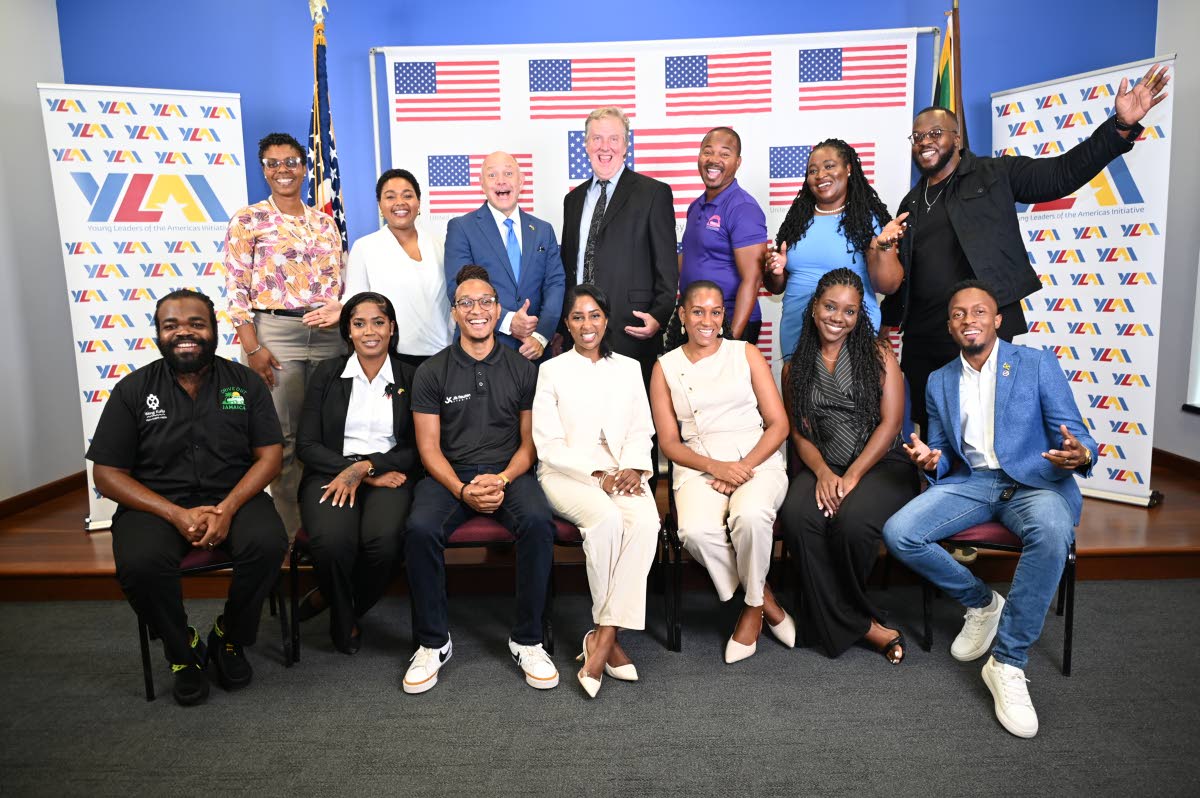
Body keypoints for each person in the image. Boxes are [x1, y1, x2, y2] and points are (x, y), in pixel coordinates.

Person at [881, 64, 1170, 431]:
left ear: (956, 139)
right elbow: (903, 273)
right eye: (917, 137)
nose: (924, 141)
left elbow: (1062, 173)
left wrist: (1119, 128)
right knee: (934, 424)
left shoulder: (995, 174)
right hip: (923, 335)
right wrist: (887, 321)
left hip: (981, 327)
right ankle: (940, 487)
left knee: (985, 424)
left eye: (935, 133)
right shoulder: (910, 201)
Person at [883, 280, 1098, 739]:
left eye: (979, 311)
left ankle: (1007, 661)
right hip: (976, 483)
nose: (969, 320)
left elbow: (1078, 433)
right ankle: (982, 602)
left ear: (998, 319)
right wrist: (932, 460)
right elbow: (941, 450)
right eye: (959, 314)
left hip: (1034, 482)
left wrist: (1081, 455)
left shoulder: (1036, 363)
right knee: (900, 532)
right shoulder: (939, 380)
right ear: (949, 325)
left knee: (1053, 529)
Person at [87, 289, 287, 706]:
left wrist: (228, 508)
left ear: (213, 330)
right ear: (158, 334)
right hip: (157, 505)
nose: (184, 333)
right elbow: (106, 474)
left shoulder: (245, 383)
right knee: (140, 562)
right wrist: (174, 513)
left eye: (196, 324)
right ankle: (183, 652)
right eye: (171, 325)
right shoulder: (133, 390)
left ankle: (229, 637)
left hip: (236, 495)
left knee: (267, 543)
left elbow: (270, 457)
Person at [402, 265, 559, 694]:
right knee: (419, 529)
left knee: (539, 523)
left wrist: (503, 480)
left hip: (508, 471)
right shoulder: (431, 371)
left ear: (497, 309)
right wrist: (462, 490)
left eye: (485, 302)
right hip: (449, 475)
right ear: (454, 312)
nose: (477, 310)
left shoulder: (523, 368)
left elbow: (530, 445)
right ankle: (433, 642)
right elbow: (428, 448)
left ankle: (528, 638)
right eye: (466, 303)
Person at [778, 268, 917, 664]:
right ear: (814, 308)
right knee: (798, 517)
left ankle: (831, 619)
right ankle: (865, 625)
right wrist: (823, 473)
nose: (838, 317)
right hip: (824, 463)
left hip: (880, 464)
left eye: (850, 311)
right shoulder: (795, 367)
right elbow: (799, 434)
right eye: (831, 307)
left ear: (860, 316)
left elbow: (891, 423)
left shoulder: (878, 354)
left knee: (852, 523)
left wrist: (852, 476)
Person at [650, 280, 793, 663]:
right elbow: (669, 443)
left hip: (756, 458)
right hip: (699, 465)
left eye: (715, 312)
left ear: (724, 316)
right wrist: (717, 467)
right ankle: (764, 598)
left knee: (750, 516)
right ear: (682, 315)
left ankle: (749, 611)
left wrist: (742, 467)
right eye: (698, 311)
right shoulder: (665, 367)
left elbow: (778, 424)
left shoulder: (744, 352)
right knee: (695, 531)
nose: (707, 320)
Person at [532, 284, 660, 697]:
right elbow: (547, 445)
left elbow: (642, 428)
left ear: (606, 319)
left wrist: (636, 468)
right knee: (604, 519)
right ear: (566, 325)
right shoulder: (552, 370)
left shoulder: (628, 367)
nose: (587, 324)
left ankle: (602, 635)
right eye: (577, 317)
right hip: (566, 475)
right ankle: (609, 638)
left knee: (646, 522)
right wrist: (599, 475)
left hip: (624, 472)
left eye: (594, 315)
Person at [224, 132, 346, 539]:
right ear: (264, 170)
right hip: (275, 334)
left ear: (304, 167)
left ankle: (326, 521)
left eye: (291, 161)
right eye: (273, 163)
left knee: (326, 432)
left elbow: (338, 283)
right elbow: (236, 287)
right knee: (285, 437)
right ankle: (292, 535)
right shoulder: (248, 219)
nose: (283, 170)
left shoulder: (325, 222)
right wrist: (253, 346)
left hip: (329, 334)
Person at [295, 292, 418, 655]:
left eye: (379, 322)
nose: (370, 331)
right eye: (359, 323)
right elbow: (307, 444)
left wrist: (369, 468)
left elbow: (416, 448)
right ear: (347, 330)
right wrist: (354, 471)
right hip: (329, 469)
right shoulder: (327, 374)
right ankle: (345, 618)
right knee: (333, 542)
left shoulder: (411, 377)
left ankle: (334, 603)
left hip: (388, 472)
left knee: (384, 543)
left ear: (392, 328)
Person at [561, 106, 678, 382]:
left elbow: (667, 267)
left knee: (632, 418)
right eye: (597, 139)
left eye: (613, 139)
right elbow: (569, 265)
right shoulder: (573, 200)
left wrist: (658, 316)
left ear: (626, 145)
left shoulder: (653, 193)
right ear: (586, 145)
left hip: (632, 328)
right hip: (579, 330)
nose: (605, 147)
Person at [764, 138, 906, 361]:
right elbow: (776, 287)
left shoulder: (867, 221)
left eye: (829, 166)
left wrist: (884, 247)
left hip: (850, 331)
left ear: (848, 169)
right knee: (799, 393)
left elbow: (888, 286)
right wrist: (775, 272)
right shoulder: (797, 220)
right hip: (796, 331)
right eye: (813, 170)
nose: (820, 174)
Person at [444, 152, 565, 361]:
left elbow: (555, 284)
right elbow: (458, 289)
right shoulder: (462, 228)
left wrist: (541, 336)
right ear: (482, 183)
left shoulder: (543, 230)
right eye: (492, 175)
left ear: (521, 181)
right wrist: (508, 321)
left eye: (508, 173)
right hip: (481, 350)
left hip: (534, 352)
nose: (501, 181)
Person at [343, 169, 453, 369]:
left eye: (407, 195)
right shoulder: (365, 247)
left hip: (443, 356)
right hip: (393, 357)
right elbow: (354, 300)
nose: (399, 202)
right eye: (390, 196)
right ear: (380, 205)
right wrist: (340, 309)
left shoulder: (441, 244)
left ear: (418, 203)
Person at [678, 127, 767, 343]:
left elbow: (752, 279)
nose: (714, 159)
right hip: (697, 320)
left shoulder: (743, 208)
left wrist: (731, 340)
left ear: (738, 162)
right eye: (708, 152)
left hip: (729, 322)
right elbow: (693, 258)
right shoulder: (695, 206)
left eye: (724, 154)